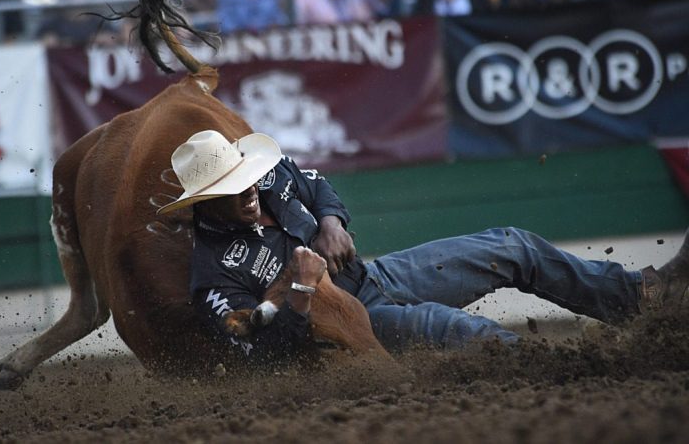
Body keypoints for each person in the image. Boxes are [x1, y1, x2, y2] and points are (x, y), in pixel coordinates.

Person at [157, 130, 689, 361]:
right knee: (469, 334)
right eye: (231, 190)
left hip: (377, 277)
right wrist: (299, 292)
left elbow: (317, 186)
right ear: (204, 202)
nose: (248, 191)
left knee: (512, 245)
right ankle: (570, 379)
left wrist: (332, 219)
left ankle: (637, 297)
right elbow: (261, 355)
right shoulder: (214, 277)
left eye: (246, 178)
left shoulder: (270, 174)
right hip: (353, 325)